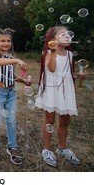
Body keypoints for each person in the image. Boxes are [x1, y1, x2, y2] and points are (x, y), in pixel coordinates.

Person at [35, 26, 82, 167]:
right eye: (62, 34)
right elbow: (52, 69)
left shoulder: (70, 55)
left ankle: (62, 148)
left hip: (65, 90)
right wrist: (54, 51)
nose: (67, 36)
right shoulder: (48, 52)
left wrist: (78, 76)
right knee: (50, 119)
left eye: (68, 34)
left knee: (65, 120)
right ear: (52, 39)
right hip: (51, 88)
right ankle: (47, 149)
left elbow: (68, 72)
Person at [0, 27, 28, 165]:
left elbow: (11, 75)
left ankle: (13, 147)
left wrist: (24, 81)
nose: (6, 43)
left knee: (11, 120)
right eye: (2, 41)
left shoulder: (10, 56)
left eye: (8, 41)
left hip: (11, 92)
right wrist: (17, 61)